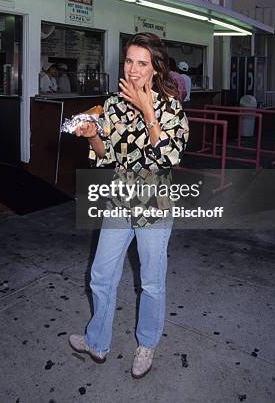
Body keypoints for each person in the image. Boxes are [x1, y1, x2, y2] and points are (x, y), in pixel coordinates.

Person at [69, 32, 189, 379]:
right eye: (129, 61)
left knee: (151, 282)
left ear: (155, 68)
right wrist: (91, 133)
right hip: (120, 199)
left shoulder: (171, 107)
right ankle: (97, 342)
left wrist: (148, 108)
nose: (133, 70)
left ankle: (146, 344)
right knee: (102, 275)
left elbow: (170, 155)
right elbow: (105, 155)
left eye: (142, 63)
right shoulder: (113, 104)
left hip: (154, 203)